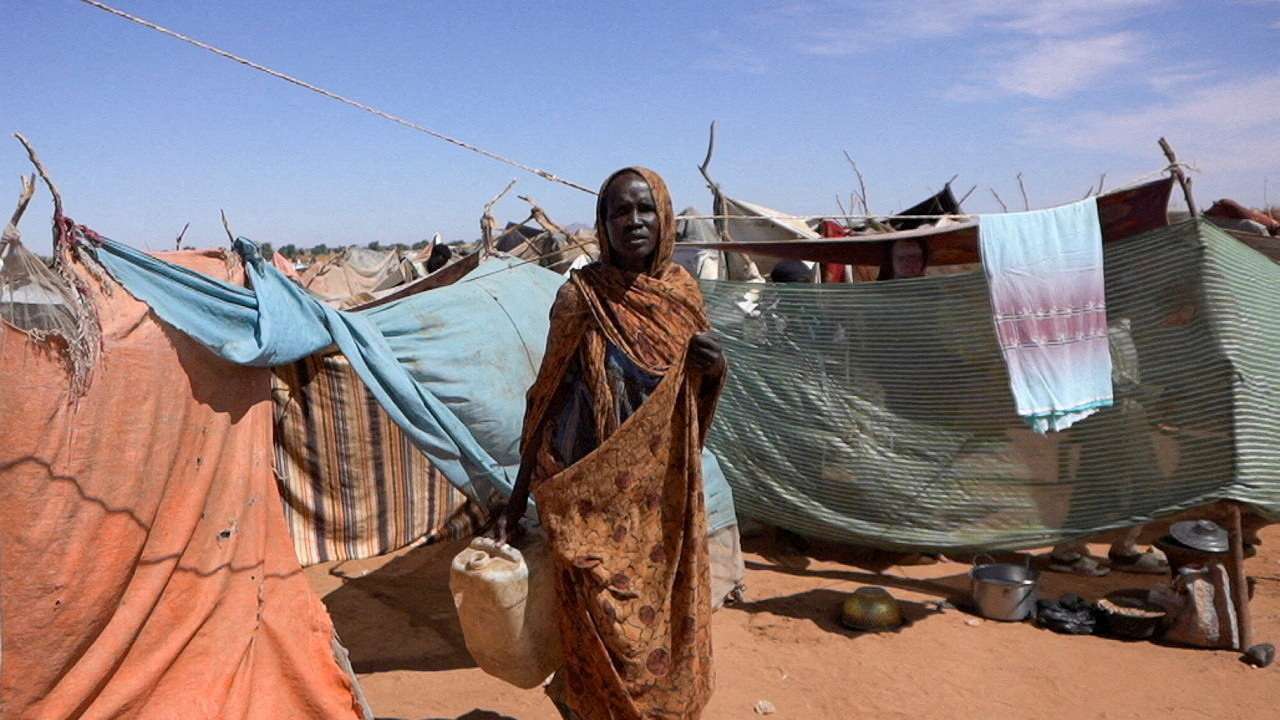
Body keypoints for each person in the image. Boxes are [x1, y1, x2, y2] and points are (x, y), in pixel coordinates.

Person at [494, 166, 726, 720]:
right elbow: (544, 399)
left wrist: (713, 369)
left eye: (645, 209)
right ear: (603, 222)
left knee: (659, 628)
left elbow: (692, 398)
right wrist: (514, 500)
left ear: (664, 216)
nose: (634, 221)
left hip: (661, 501)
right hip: (586, 496)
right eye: (619, 211)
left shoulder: (681, 295)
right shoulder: (580, 298)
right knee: (596, 630)